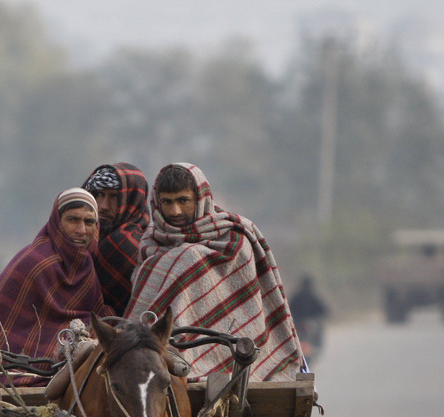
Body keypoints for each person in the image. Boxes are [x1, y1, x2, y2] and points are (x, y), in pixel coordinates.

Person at [126, 163, 304, 381]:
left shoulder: (234, 239)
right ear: (157, 203)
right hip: (159, 359)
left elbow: (249, 311)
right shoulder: (150, 241)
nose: (175, 212)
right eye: (167, 202)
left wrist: (186, 259)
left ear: (201, 199)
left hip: (235, 356)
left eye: (183, 201)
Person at [0, 188, 112, 381]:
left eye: (89, 222)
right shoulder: (35, 262)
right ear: (57, 222)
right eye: (73, 220)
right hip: (12, 371)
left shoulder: (86, 266)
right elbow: (4, 330)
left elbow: (87, 317)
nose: (82, 230)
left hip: (64, 361)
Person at [81, 162, 150, 314]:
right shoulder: (84, 236)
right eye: (99, 195)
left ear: (132, 199)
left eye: (114, 197)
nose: (104, 206)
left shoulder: (126, 245)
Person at [289, 274, 330, 360]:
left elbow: (288, 309)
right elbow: (324, 310)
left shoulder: (296, 296)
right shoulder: (313, 297)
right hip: (309, 323)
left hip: (297, 322)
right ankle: (316, 347)